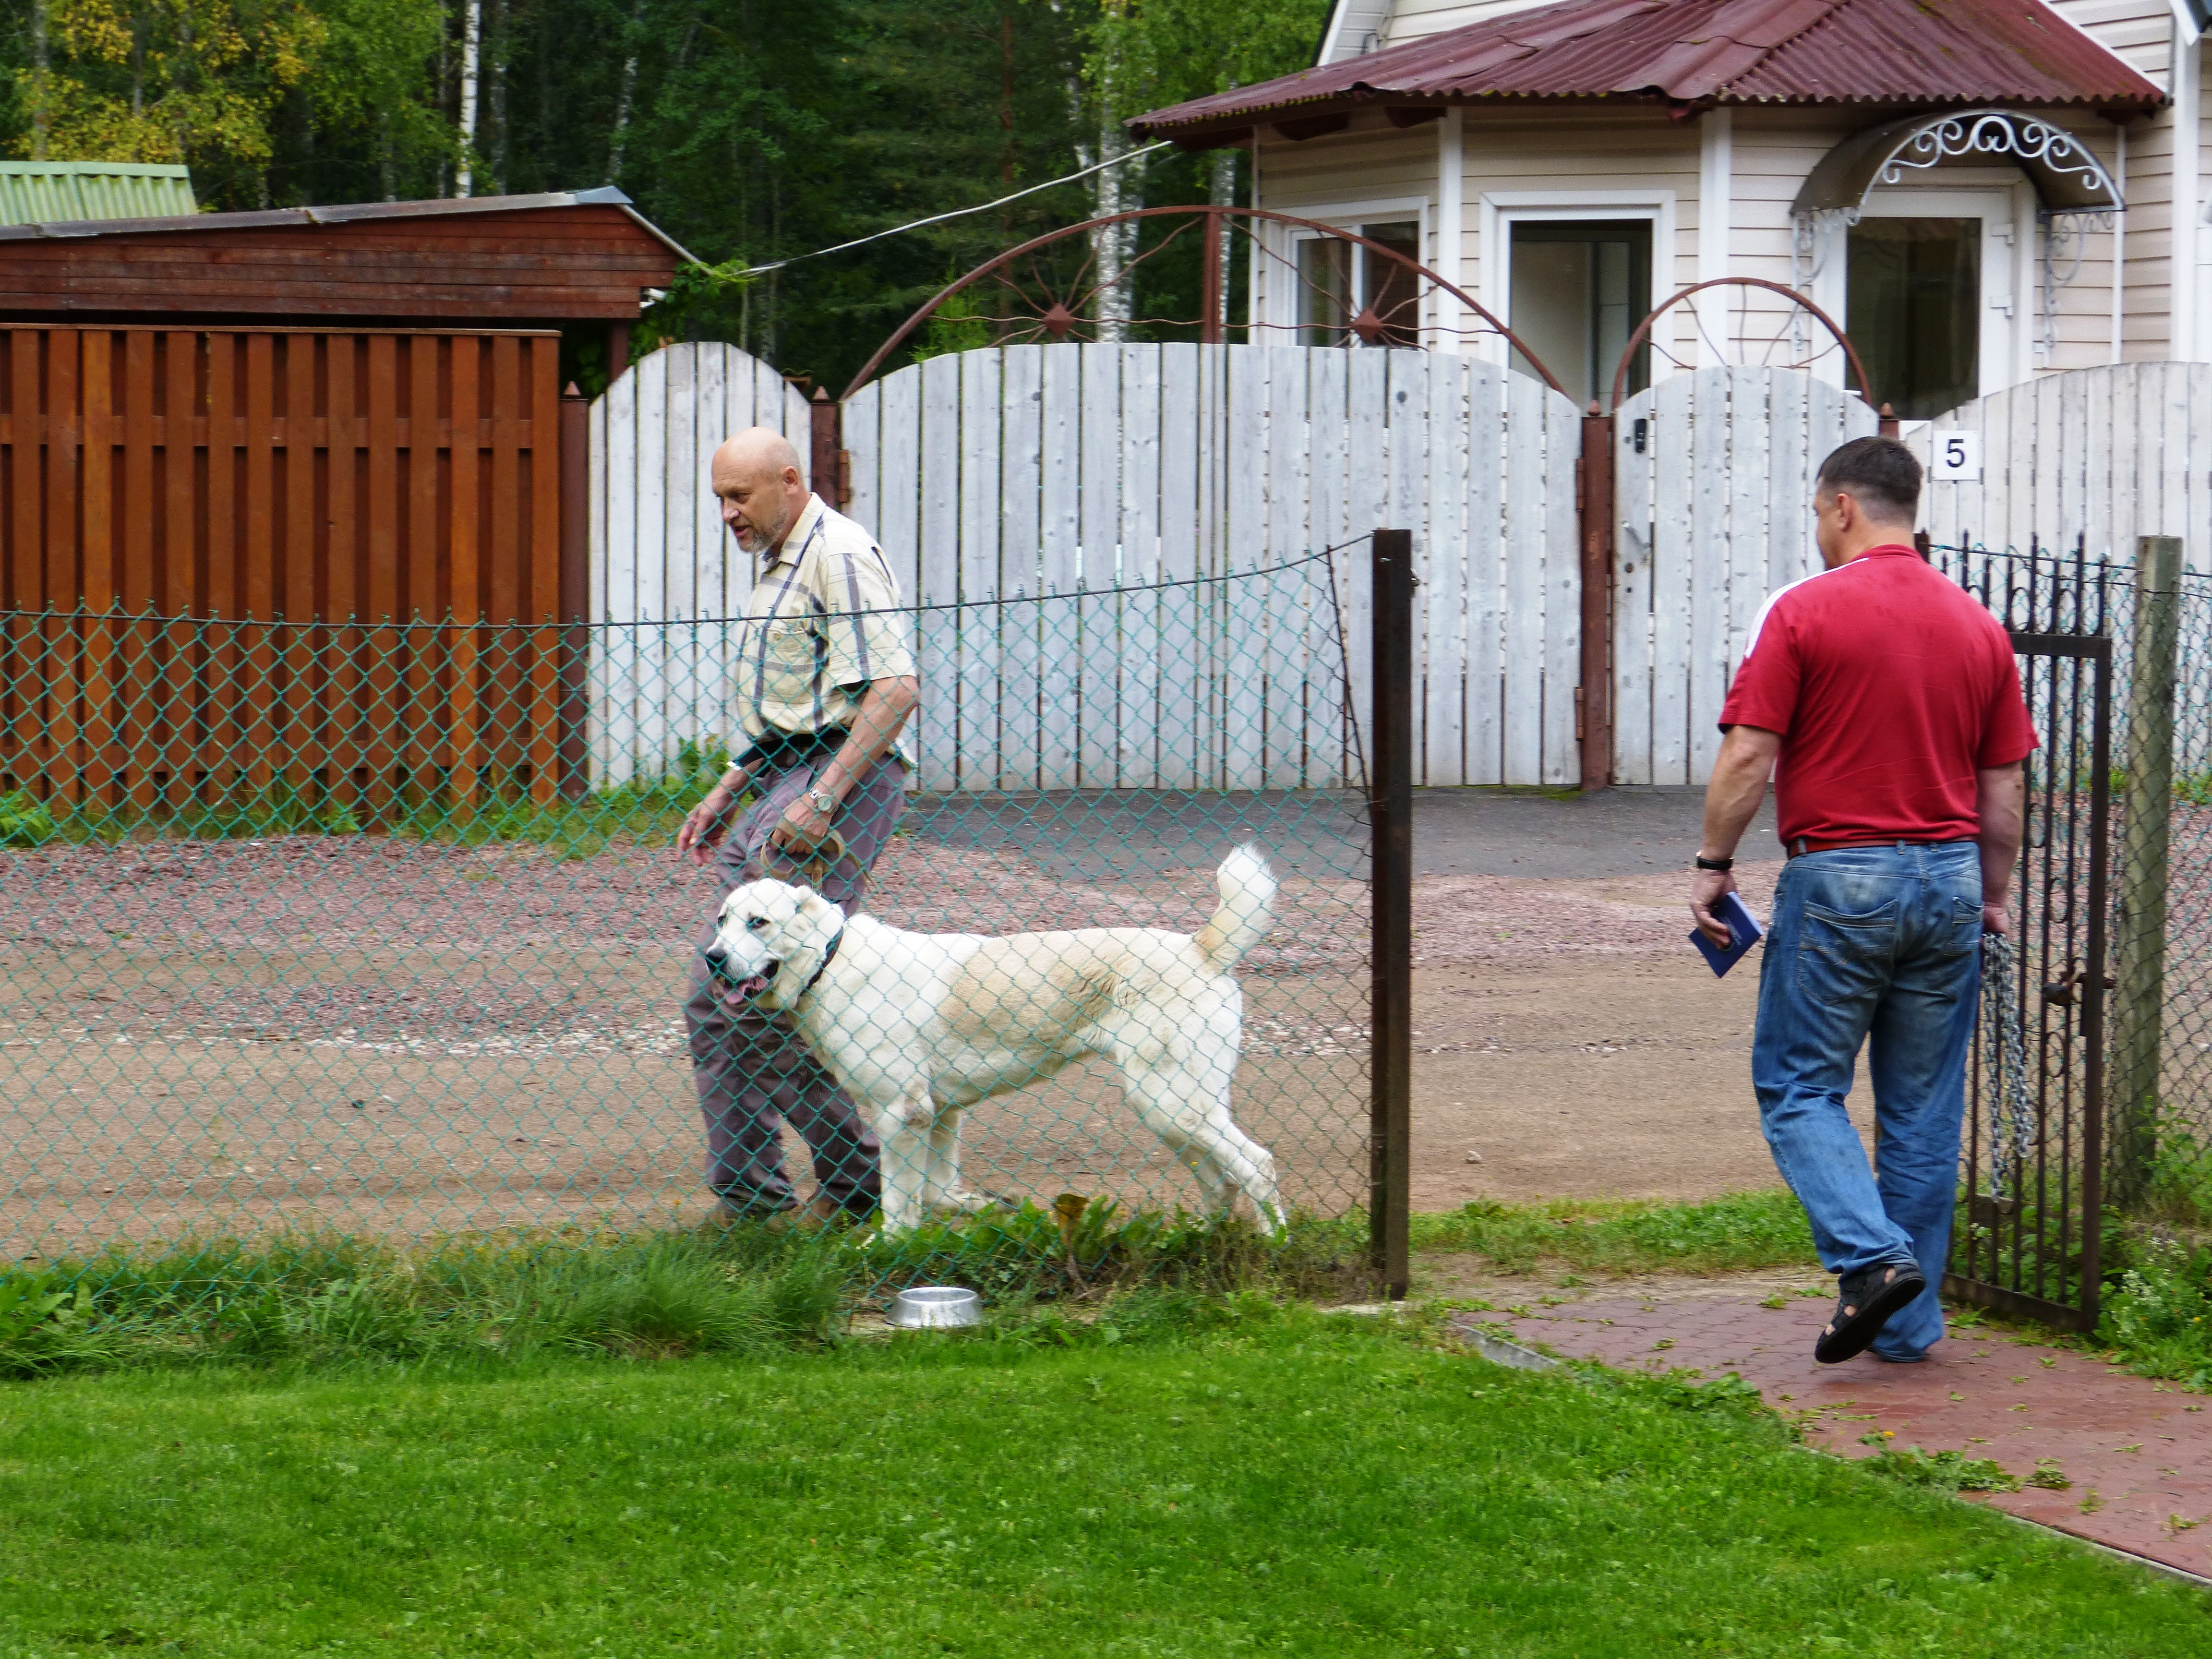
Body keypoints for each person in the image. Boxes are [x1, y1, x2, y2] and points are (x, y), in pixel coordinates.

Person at [1690, 436, 2034, 1365]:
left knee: (1799, 1087)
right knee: (1922, 1113)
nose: (1817, 528)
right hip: (1951, 877)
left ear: (1843, 507)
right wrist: (1992, 897)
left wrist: (1713, 862)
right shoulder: (1978, 626)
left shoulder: (1804, 612)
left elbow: (1750, 754)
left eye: (1816, 512)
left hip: (1842, 874)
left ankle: (1873, 1261)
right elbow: (2003, 787)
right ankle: (1909, 1330)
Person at [675, 428, 920, 1226]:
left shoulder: (838, 556)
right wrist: (728, 787)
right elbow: (792, 710)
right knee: (725, 994)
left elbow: (893, 691)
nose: (726, 514)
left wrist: (822, 802)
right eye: (719, 497)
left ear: (788, 481)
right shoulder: (781, 564)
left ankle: (847, 1192)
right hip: (786, 777)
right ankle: (762, 1199)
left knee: (770, 991)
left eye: (738, 496)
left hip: (832, 780)